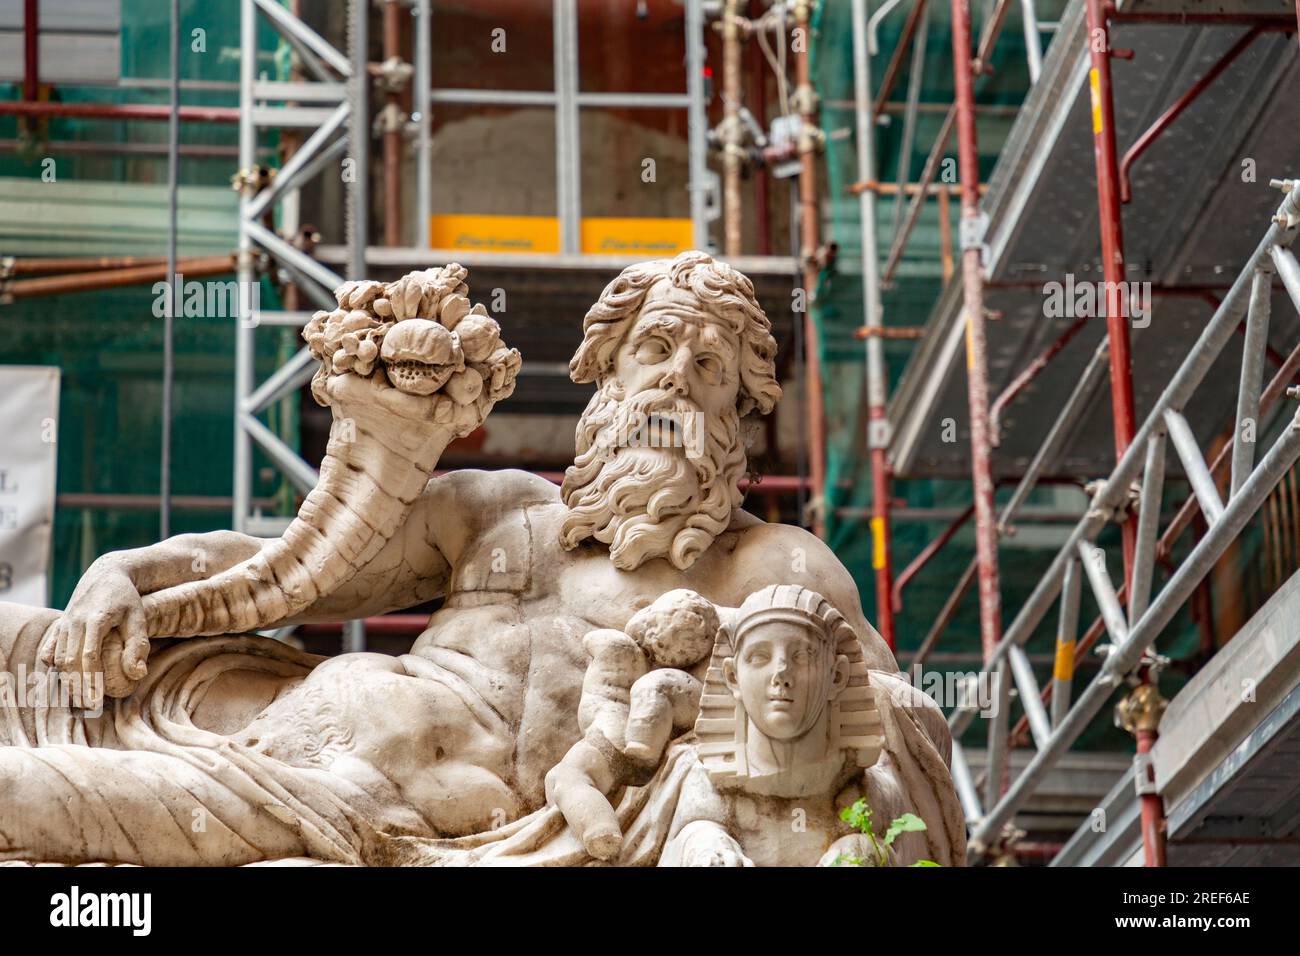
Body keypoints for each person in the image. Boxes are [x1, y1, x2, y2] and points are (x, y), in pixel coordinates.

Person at [0, 251, 961, 866]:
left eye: (709, 368)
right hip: (273, 715)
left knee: (19, 793)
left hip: (356, 804)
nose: (677, 376)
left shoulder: (772, 569)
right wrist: (129, 575)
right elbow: (288, 565)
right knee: (18, 644)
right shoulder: (503, 511)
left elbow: (893, 741)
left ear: (739, 414)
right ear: (607, 375)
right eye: (656, 349)